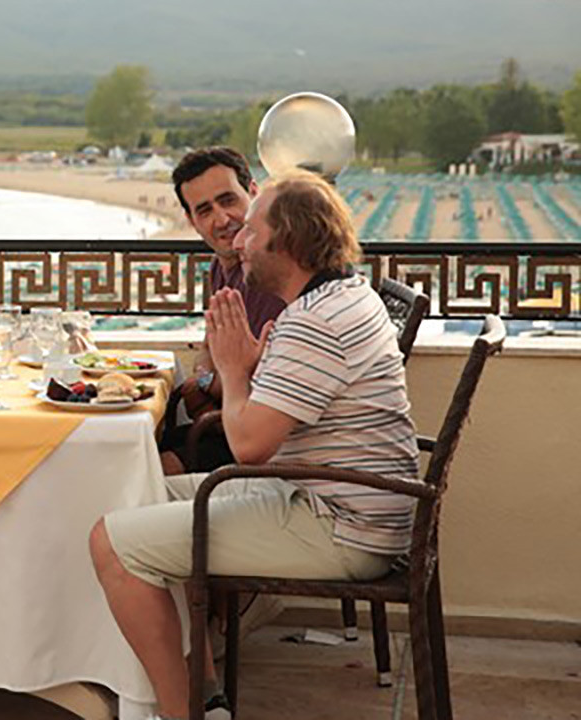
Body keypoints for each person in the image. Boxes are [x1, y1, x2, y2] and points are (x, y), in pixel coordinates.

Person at [90, 170, 420, 720]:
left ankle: (178, 712)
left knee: (112, 545)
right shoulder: (341, 296)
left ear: (286, 241)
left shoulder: (315, 322)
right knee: (138, 494)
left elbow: (248, 447)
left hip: (342, 525)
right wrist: (246, 366)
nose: (238, 240)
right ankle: (204, 692)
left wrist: (233, 368)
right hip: (334, 500)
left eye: (251, 230)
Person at [164, 147, 287, 474]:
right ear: (191, 220)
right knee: (137, 447)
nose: (221, 220)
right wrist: (207, 378)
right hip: (225, 421)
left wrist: (205, 384)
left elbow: (258, 383)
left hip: (267, 446)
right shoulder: (222, 266)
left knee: (149, 468)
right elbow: (210, 348)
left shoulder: (272, 275)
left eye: (228, 200)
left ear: (254, 193)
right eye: (204, 210)